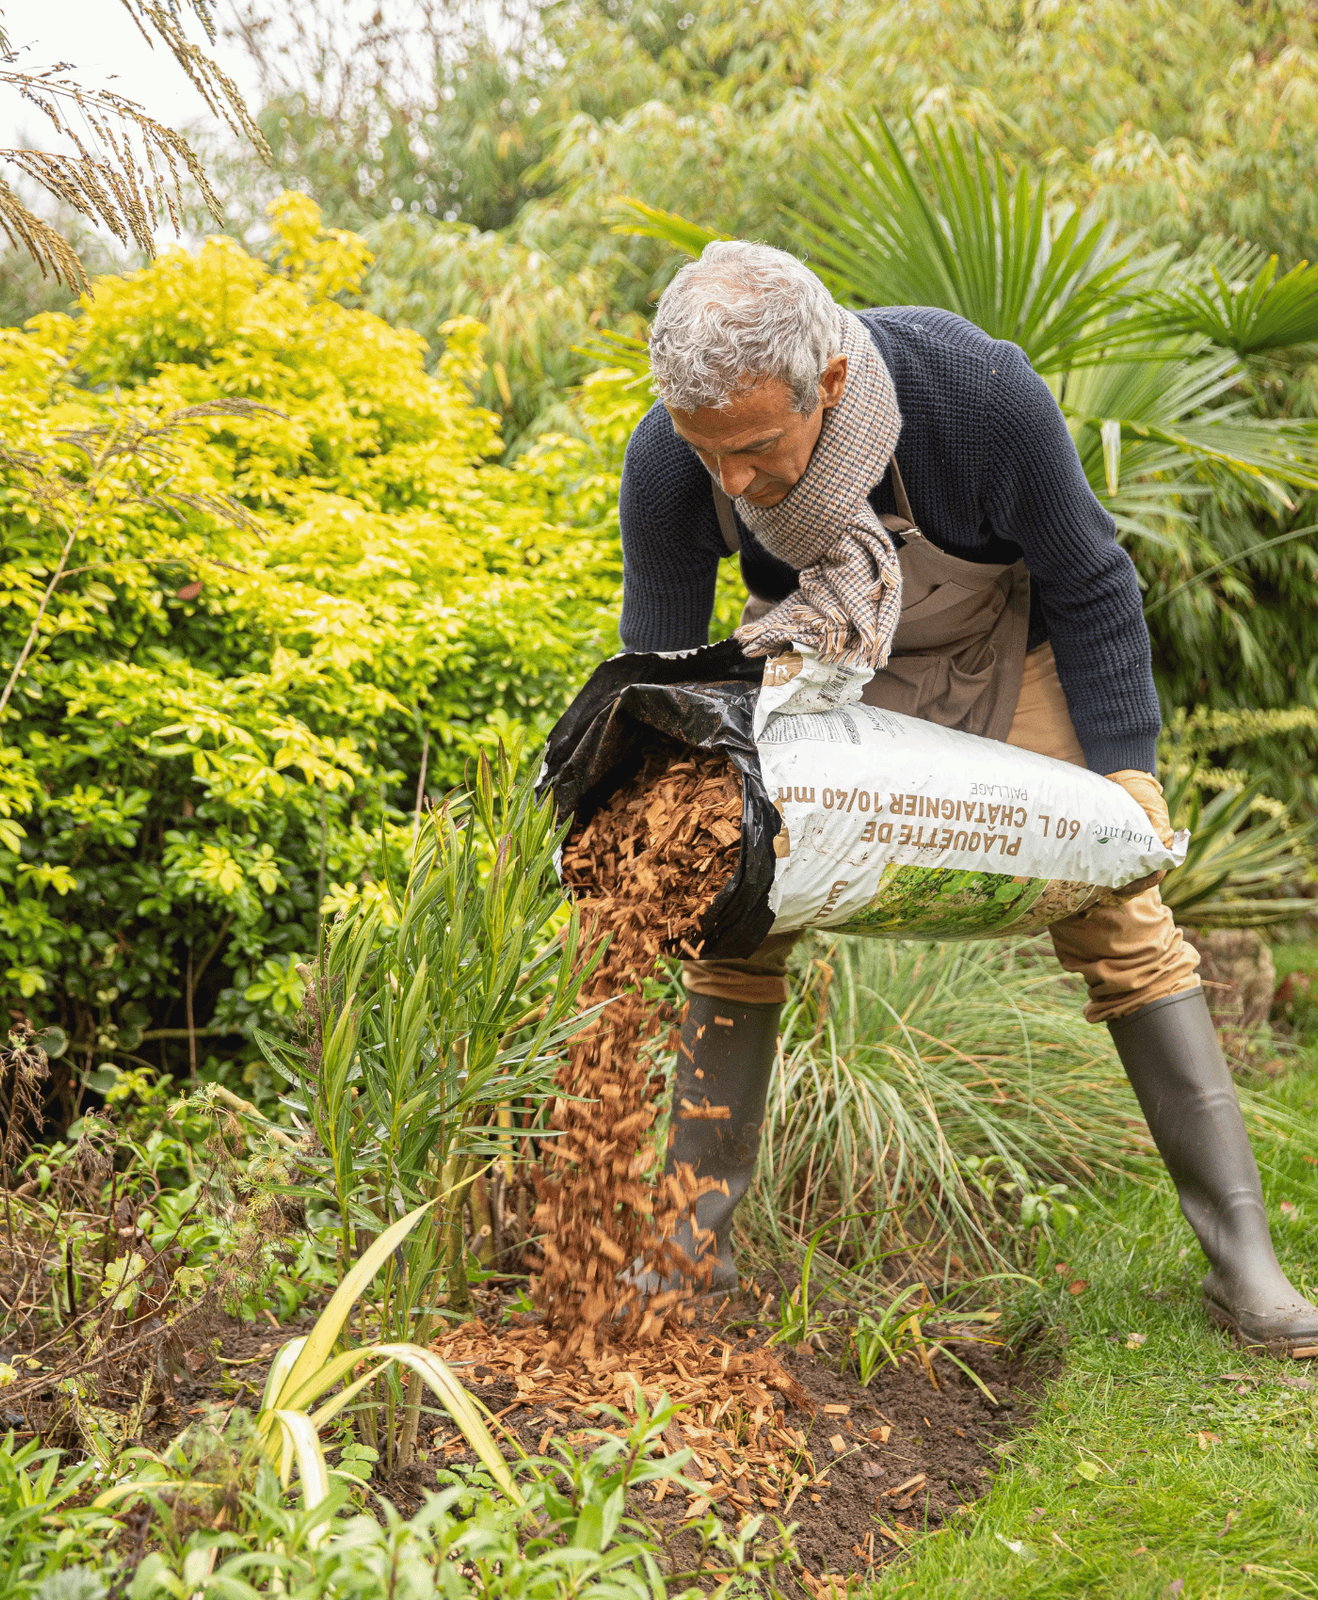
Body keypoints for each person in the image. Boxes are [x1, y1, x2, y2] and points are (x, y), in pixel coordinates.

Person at [618, 239, 1318, 1356]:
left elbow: (1092, 581)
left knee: (1120, 915)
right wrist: (663, 820)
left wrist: (1125, 775)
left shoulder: (974, 394)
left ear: (830, 383)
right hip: (816, 669)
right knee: (730, 912)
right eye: (709, 455)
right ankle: (688, 1260)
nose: (731, 483)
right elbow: (658, 661)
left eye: (754, 448)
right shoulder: (672, 460)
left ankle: (1245, 1264)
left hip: (999, 658)